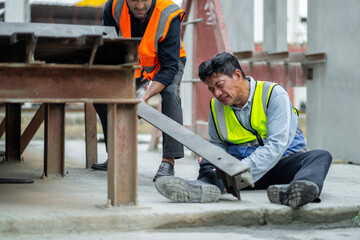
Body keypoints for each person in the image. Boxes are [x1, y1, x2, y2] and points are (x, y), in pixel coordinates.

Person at [155, 52, 332, 208]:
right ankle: (203, 187)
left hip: (280, 165)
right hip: (239, 172)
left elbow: (276, 145)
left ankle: (296, 190)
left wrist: (239, 171)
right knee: (210, 156)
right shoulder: (216, 106)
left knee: (319, 156)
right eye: (211, 89)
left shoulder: (273, 94)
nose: (217, 93)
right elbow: (218, 143)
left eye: (220, 84)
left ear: (238, 75)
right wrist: (213, 155)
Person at [92, 0, 186, 182]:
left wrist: (145, 97)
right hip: (133, 62)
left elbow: (168, 69)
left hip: (166, 63)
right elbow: (107, 46)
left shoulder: (169, 13)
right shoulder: (113, 7)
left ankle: (168, 162)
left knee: (171, 92)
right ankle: (116, 154)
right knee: (101, 96)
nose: (140, 5)